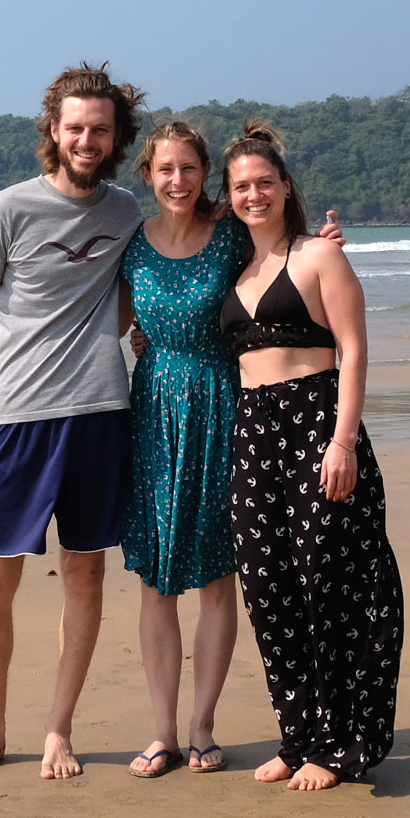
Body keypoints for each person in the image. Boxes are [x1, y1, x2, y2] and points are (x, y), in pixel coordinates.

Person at [0, 62, 146, 780]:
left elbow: (164, 275)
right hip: (20, 418)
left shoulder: (127, 213)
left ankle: (59, 729)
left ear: (117, 137)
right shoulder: (6, 209)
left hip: (99, 414)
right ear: (53, 133)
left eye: (100, 129)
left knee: (84, 575)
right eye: (75, 128)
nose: (87, 139)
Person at [220, 119, 404, 791]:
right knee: (269, 593)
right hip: (254, 434)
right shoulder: (234, 267)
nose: (254, 194)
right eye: (241, 186)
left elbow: (354, 349)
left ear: (286, 186)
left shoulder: (320, 256)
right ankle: (297, 737)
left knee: (331, 585)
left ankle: (340, 742)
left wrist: (344, 440)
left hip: (317, 423)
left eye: (264, 182)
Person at [118, 121, 243, 778]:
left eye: (189, 169)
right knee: (156, 577)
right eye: (165, 169)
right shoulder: (131, 244)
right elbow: (103, 316)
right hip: (153, 409)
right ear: (148, 174)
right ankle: (162, 731)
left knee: (218, 575)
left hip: (223, 403)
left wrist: (325, 244)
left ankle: (202, 726)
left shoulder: (232, 236)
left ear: (204, 174)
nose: (177, 180)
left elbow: (285, 266)